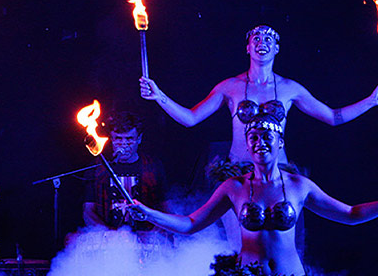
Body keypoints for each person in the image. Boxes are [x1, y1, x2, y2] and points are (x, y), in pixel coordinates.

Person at [129, 113, 378, 276]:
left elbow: (351, 214)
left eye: (267, 136)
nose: (260, 142)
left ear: (280, 141)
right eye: (253, 138)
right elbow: (191, 223)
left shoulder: (298, 186)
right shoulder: (234, 187)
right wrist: (150, 213)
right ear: (247, 145)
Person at [139, 25, 378, 250]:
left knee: (282, 244)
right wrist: (160, 96)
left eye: (269, 39)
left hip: (277, 174)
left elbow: (333, 117)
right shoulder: (230, 87)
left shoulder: (290, 88)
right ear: (247, 48)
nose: (262, 43)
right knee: (242, 245)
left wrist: (371, 100)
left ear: (277, 48)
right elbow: (191, 118)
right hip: (239, 175)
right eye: (256, 39)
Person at [82, 111, 171, 251]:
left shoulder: (154, 165)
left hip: (146, 237)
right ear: (111, 139)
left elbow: (166, 208)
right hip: (108, 239)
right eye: (118, 139)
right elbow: (88, 212)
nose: (123, 144)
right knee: (72, 240)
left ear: (139, 139)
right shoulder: (98, 167)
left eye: (129, 139)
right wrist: (109, 234)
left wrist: (154, 233)